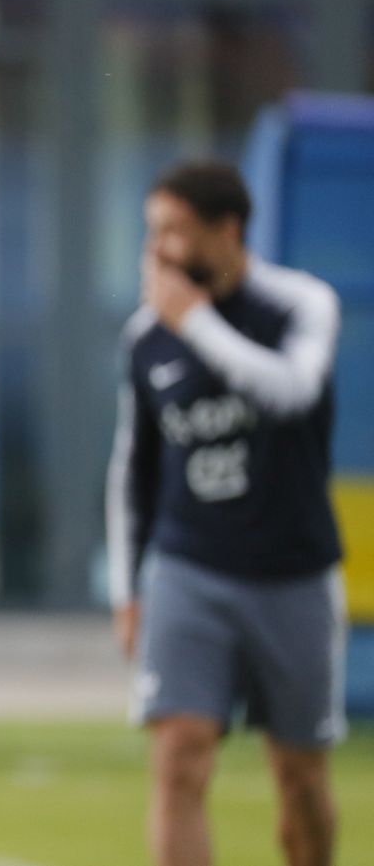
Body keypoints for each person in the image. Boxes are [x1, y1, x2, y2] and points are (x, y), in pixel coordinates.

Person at [107, 160, 345, 866]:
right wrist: (127, 590)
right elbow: (131, 469)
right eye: (152, 232)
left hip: (293, 575)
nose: (159, 251)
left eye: (175, 232)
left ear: (228, 231)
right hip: (190, 571)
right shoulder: (145, 337)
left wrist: (200, 325)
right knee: (179, 758)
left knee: (299, 777)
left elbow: (292, 391)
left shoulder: (299, 305)